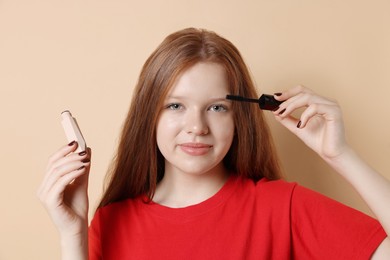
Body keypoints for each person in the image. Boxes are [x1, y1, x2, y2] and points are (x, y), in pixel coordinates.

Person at [38, 28, 390, 259]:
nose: (196, 127)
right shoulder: (110, 222)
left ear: (239, 118)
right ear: (150, 115)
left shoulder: (283, 207)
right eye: (175, 105)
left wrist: (341, 155)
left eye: (217, 107)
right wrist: (73, 236)